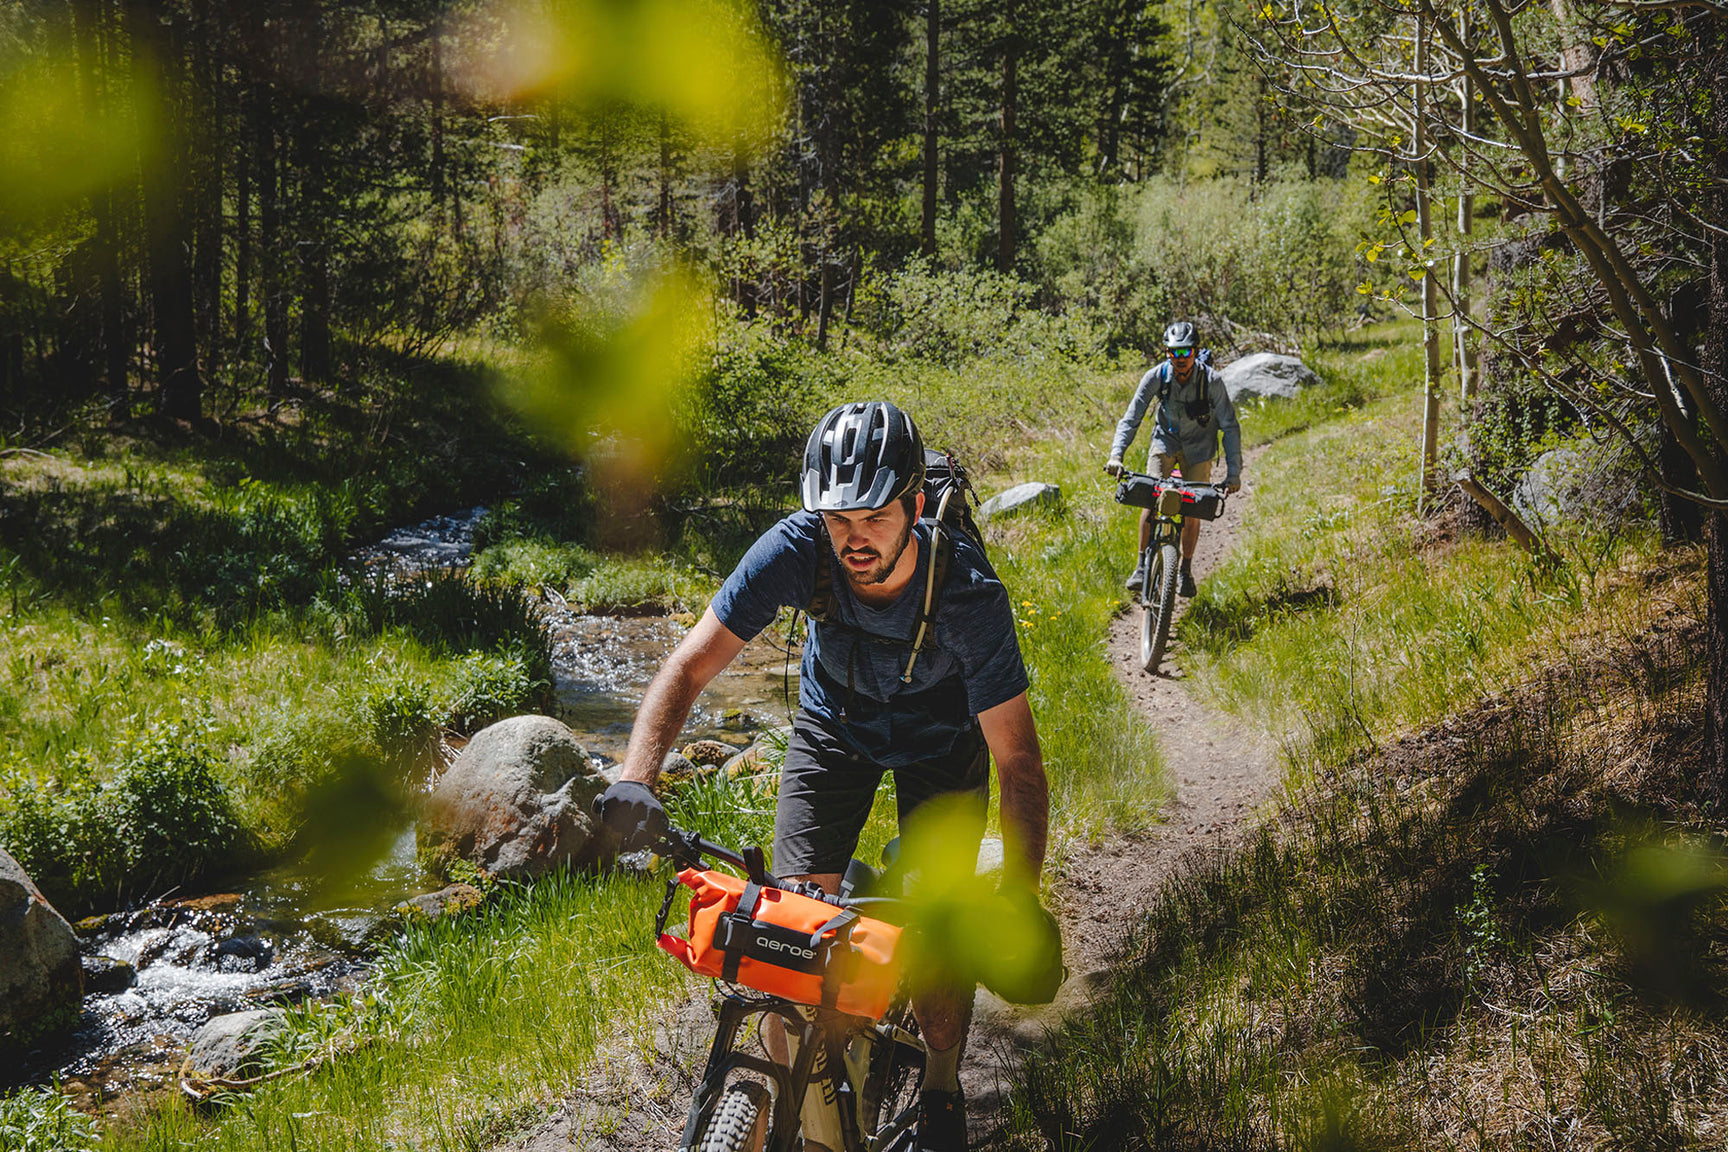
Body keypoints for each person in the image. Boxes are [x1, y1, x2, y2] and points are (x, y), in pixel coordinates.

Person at [596, 400, 1052, 1152]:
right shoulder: (798, 548)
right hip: (834, 729)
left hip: (944, 746)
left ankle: (939, 1088)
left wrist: (1021, 896)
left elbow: (1019, 763)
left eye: (872, 516)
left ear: (912, 504)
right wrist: (636, 778)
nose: (853, 538)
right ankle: (795, 1121)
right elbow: (687, 667)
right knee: (785, 942)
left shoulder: (967, 594)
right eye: (837, 520)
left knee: (936, 958)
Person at [1105, 320, 1243, 598]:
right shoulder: (1156, 376)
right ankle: (1142, 565)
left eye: (1185, 352)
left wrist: (1234, 473)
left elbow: (1229, 426)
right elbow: (1131, 418)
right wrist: (1116, 455)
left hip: (1200, 448)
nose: (1179, 359)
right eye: (1173, 352)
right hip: (1164, 442)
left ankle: (1185, 570)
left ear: (1195, 351)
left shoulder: (1212, 381)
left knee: (1193, 505)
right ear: (1167, 352)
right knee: (1150, 494)